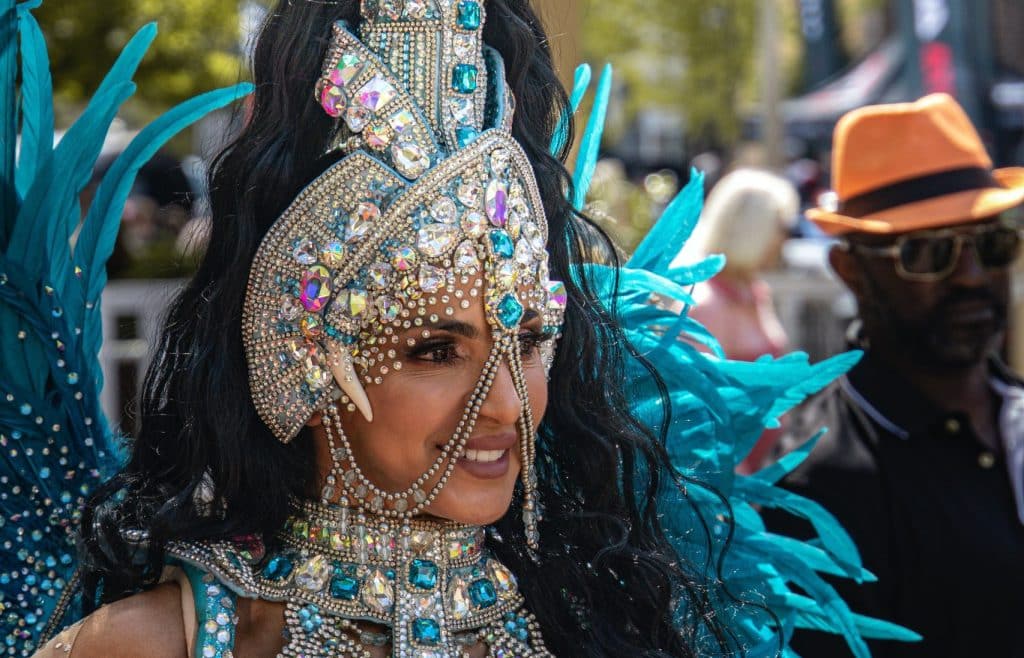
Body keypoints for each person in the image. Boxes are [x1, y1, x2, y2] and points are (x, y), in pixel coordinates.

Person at [2, 2, 917, 657]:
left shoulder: (606, 624)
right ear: (302, 357)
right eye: (434, 349)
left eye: (525, 342)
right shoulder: (154, 644)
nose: (509, 404)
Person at [771, 93, 1024, 657]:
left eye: (992, 242)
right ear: (851, 270)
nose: (972, 276)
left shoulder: (1014, 411)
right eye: (927, 253)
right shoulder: (818, 476)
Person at [677, 169, 797, 472]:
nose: (785, 238)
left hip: (768, 471)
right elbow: (696, 413)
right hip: (735, 487)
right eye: (781, 225)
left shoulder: (754, 291)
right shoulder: (706, 304)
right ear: (752, 227)